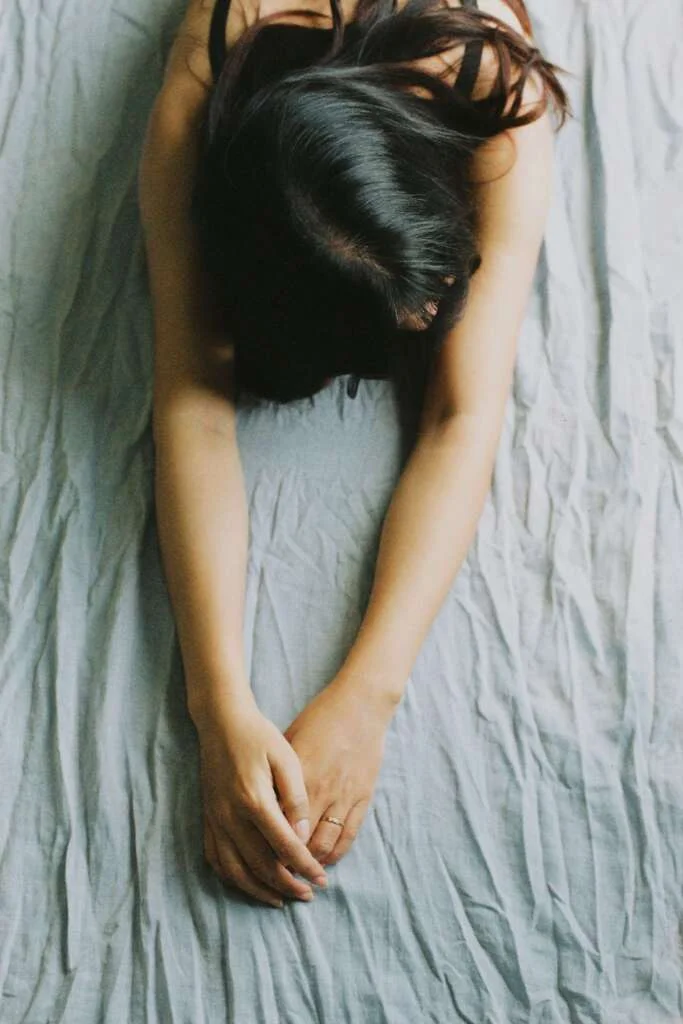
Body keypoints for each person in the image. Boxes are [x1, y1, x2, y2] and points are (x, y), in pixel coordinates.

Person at [138, 0, 570, 910]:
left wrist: (369, 693)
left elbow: (461, 413)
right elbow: (192, 396)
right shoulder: (205, 87)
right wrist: (216, 707)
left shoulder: (493, 88)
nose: (424, 325)